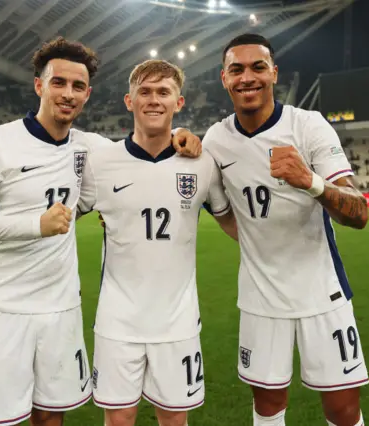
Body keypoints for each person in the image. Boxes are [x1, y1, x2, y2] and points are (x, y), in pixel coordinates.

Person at [0, 37, 201, 426]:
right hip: (5, 306)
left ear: (87, 94)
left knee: (52, 417)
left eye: (78, 86)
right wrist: (33, 226)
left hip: (62, 308)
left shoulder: (91, 148)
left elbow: (143, 143)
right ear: (39, 85)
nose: (68, 94)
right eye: (59, 83)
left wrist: (182, 133)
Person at [202, 34, 369, 426]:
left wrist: (309, 181)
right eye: (237, 69)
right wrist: (257, 244)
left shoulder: (308, 125)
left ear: (274, 74)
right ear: (224, 78)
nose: (248, 77)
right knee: (268, 407)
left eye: (258, 67)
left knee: (343, 410)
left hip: (322, 295)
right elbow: (225, 214)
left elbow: (359, 214)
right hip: (261, 301)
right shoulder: (216, 140)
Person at [77, 59, 237, 426]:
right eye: (144, 92)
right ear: (128, 101)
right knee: (118, 420)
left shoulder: (202, 163)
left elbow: (230, 220)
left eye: (163, 92)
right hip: (118, 320)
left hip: (177, 322)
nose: (153, 100)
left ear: (178, 103)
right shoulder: (101, 163)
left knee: (174, 420)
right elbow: (65, 214)